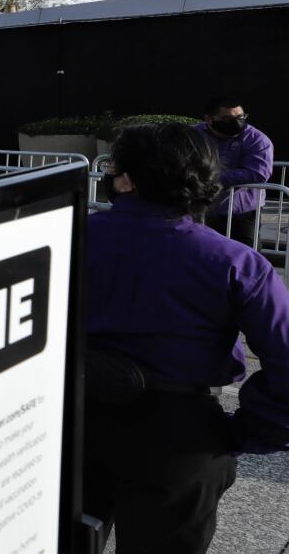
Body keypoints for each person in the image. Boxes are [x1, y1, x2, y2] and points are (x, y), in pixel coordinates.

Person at [85, 123, 289, 553]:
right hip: (178, 435)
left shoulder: (67, 238)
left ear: (126, 179)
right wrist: (247, 431)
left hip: (71, 419)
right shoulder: (237, 262)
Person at [195, 96, 274, 249]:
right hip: (200, 207)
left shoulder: (256, 139)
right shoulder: (194, 135)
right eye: (227, 118)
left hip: (241, 210)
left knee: (245, 255)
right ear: (209, 119)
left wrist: (212, 178)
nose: (236, 122)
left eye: (240, 117)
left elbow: (258, 173)